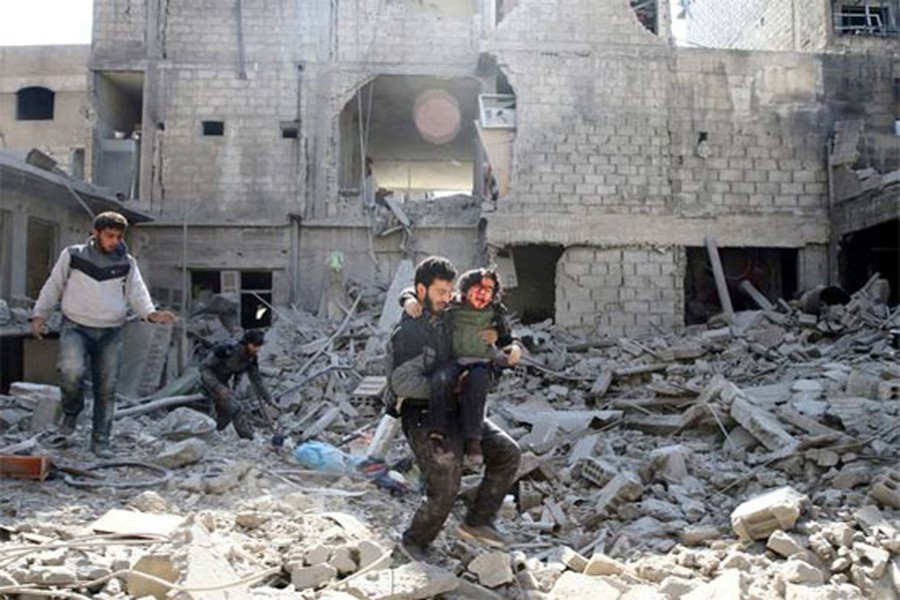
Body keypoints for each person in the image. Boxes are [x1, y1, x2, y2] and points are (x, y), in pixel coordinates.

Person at [388, 256, 522, 556]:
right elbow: (402, 384)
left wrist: (506, 347)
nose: (447, 298)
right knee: (447, 481)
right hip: (423, 414)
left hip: (460, 410)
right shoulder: (409, 331)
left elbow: (492, 353)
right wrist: (452, 388)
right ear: (421, 291)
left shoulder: (454, 314)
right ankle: (414, 542)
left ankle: (478, 521)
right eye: (440, 293)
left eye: (449, 292)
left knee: (507, 453)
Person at [31, 211, 177, 458]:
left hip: (110, 332)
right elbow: (53, 285)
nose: (115, 241)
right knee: (70, 371)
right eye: (110, 236)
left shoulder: (126, 263)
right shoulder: (73, 255)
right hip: (75, 326)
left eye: (119, 237)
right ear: (95, 233)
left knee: (106, 389)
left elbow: (137, 292)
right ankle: (72, 411)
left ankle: (101, 441)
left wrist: (151, 314)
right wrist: (39, 315)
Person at [403, 267, 521, 468]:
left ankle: (473, 440)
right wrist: (409, 300)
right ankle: (437, 433)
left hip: (480, 363)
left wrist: (515, 347)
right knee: (440, 379)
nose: (483, 293)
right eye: (478, 287)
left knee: (477, 382)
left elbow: (507, 338)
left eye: (489, 289)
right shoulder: (452, 306)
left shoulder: (495, 313)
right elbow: (415, 292)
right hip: (453, 360)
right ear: (465, 289)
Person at [198, 329, 271, 440]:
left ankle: (213, 432)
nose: (258, 349)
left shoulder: (250, 358)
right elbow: (204, 368)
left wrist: (268, 399)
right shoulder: (226, 350)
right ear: (248, 344)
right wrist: (218, 387)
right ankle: (248, 437)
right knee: (236, 409)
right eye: (255, 346)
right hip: (209, 379)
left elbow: (256, 380)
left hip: (223, 382)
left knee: (226, 413)